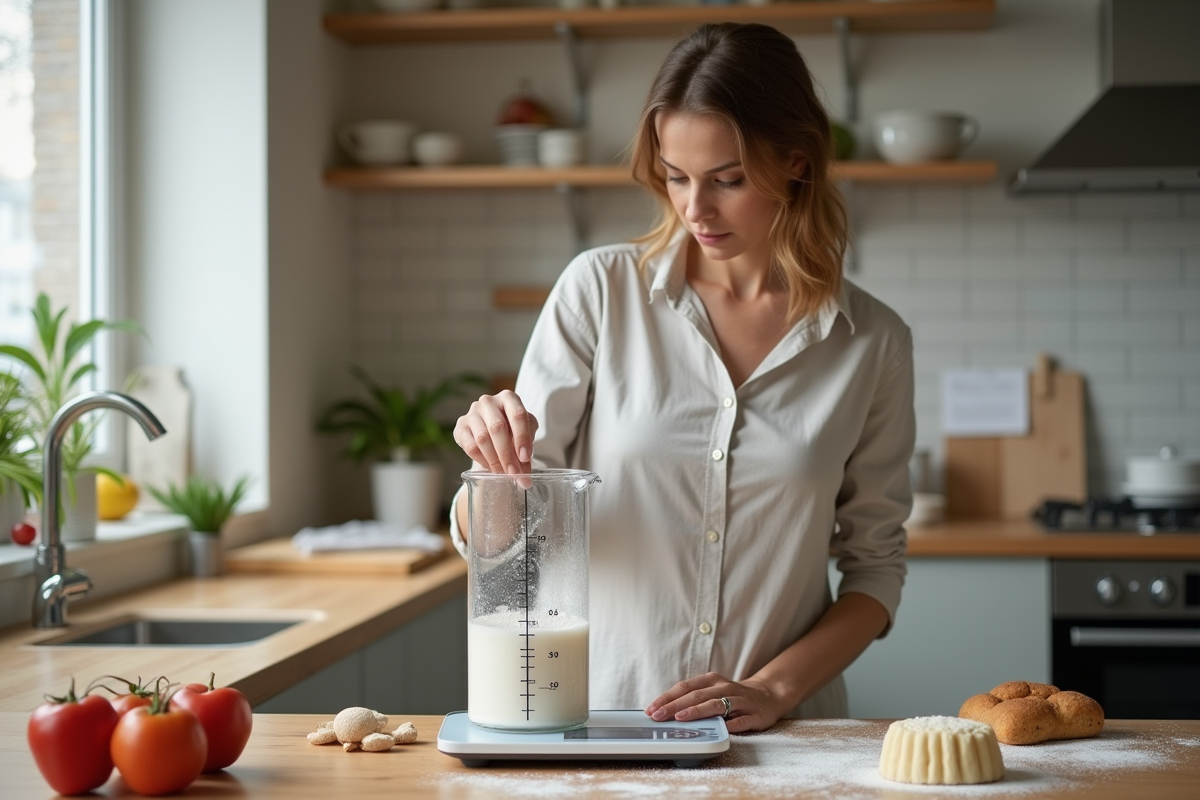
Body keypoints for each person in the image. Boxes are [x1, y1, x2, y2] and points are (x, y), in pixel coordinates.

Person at [450, 22, 914, 733]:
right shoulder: (600, 292)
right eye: (675, 176)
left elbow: (875, 571)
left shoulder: (872, 342)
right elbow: (516, 526)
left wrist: (775, 690)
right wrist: (491, 474)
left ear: (796, 163)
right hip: (604, 722)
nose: (695, 209)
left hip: (786, 741)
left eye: (727, 180)